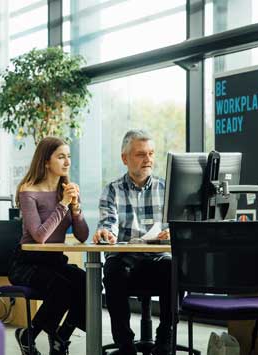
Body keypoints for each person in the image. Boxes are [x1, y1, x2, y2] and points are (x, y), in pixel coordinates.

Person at [93, 129, 172, 355]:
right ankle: (125, 345)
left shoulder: (166, 189)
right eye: (140, 154)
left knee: (173, 268)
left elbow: (177, 225)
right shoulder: (112, 190)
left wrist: (171, 233)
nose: (148, 159)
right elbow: (108, 224)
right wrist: (106, 234)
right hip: (125, 260)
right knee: (113, 268)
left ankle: (165, 339)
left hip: (157, 259)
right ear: (125, 158)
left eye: (151, 153)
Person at [8, 137, 89, 355]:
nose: (67, 162)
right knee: (62, 288)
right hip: (27, 264)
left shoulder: (65, 190)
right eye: (61, 156)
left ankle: (61, 337)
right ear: (45, 161)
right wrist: (63, 204)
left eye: (69, 156)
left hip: (54, 262)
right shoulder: (28, 191)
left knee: (87, 282)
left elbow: (82, 236)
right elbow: (40, 237)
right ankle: (30, 334)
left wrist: (76, 208)